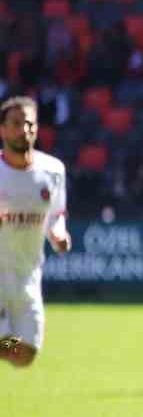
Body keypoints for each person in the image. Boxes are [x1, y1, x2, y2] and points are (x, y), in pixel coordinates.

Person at [0, 96, 71, 369]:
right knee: (6, 342)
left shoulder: (53, 170)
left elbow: (56, 214)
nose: (24, 130)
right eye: (16, 123)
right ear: (3, 129)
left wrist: (58, 234)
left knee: (25, 353)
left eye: (29, 124)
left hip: (28, 275)